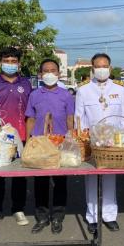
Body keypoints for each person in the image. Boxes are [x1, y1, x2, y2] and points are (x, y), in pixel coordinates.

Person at [75, 53, 124, 233]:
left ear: (110, 68)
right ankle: (92, 216)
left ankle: (109, 215)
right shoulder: (83, 90)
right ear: (92, 69)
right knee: (91, 179)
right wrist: (83, 137)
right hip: (91, 141)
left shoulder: (120, 89)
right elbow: (79, 117)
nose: (102, 69)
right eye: (98, 66)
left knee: (109, 178)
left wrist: (122, 139)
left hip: (112, 142)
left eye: (105, 66)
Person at [0, 48, 32, 230]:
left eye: (13, 61)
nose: (10, 64)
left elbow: (31, 111)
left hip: (21, 136)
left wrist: (30, 135)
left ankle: (18, 209)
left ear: (19, 64)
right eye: (7, 60)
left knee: (19, 175)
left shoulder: (26, 83)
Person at [26, 59, 75, 234]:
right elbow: (30, 119)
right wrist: (28, 141)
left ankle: (58, 216)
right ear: (40, 75)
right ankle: (42, 217)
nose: (49, 74)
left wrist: (71, 139)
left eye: (53, 70)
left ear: (59, 73)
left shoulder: (66, 95)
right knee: (40, 182)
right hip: (39, 144)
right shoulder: (34, 95)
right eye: (45, 71)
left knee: (60, 182)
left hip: (60, 143)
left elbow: (70, 118)